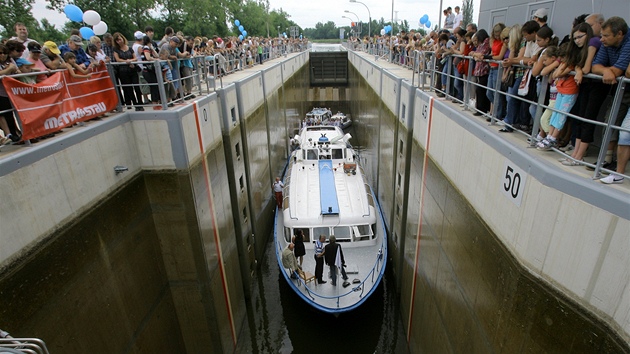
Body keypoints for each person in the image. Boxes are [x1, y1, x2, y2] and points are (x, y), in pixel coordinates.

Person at [591, 17, 630, 184]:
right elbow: (595, 66)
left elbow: (624, 71)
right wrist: (608, 71)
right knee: (611, 122)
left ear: (619, 34)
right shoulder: (607, 45)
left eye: (606, 35)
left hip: (624, 89)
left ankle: (619, 173)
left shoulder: (628, 42)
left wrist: (611, 71)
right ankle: (608, 163)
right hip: (622, 92)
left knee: (625, 133)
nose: (601, 39)